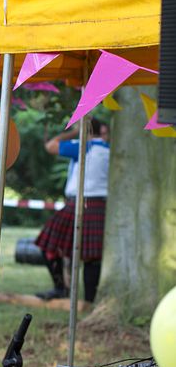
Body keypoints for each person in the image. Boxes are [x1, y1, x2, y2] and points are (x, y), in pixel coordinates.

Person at [35, 117, 110, 303]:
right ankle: (89, 301)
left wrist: (76, 131)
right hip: (100, 206)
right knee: (92, 256)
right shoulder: (111, 151)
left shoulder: (82, 146)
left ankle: (61, 288)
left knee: (48, 246)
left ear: (86, 131)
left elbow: (50, 146)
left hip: (77, 204)